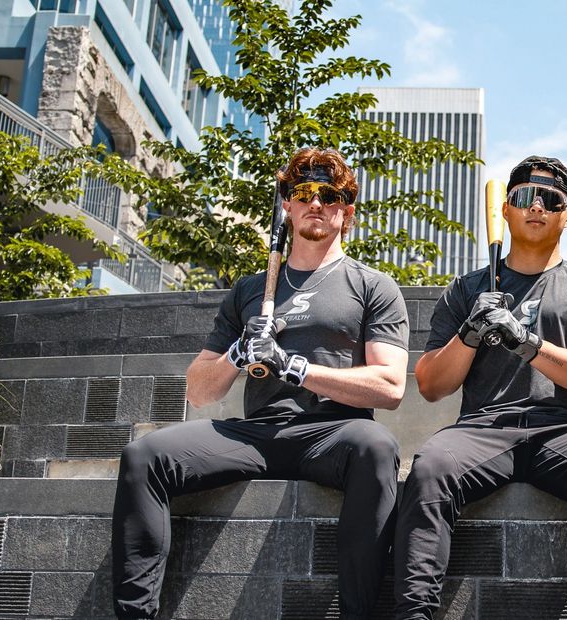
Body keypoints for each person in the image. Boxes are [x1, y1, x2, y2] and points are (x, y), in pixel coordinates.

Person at [111, 147, 409, 619]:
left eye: (329, 195)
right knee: (144, 456)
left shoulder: (372, 285)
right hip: (258, 433)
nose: (316, 202)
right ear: (287, 205)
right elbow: (200, 391)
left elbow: (390, 387)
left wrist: (294, 367)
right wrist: (238, 352)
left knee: (377, 447)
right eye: (303, 193)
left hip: (333, 432)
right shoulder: (250, 290)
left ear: (346, 212)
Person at [393, 156, 567, 620]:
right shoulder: (466, 290)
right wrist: (470, 332)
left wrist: (524, 340)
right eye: (525, 196)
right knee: (431, 467)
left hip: (564, 428)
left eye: (552, 200)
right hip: (482, 428)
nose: (537, 206)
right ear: (505, 210)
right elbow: (430, 385)